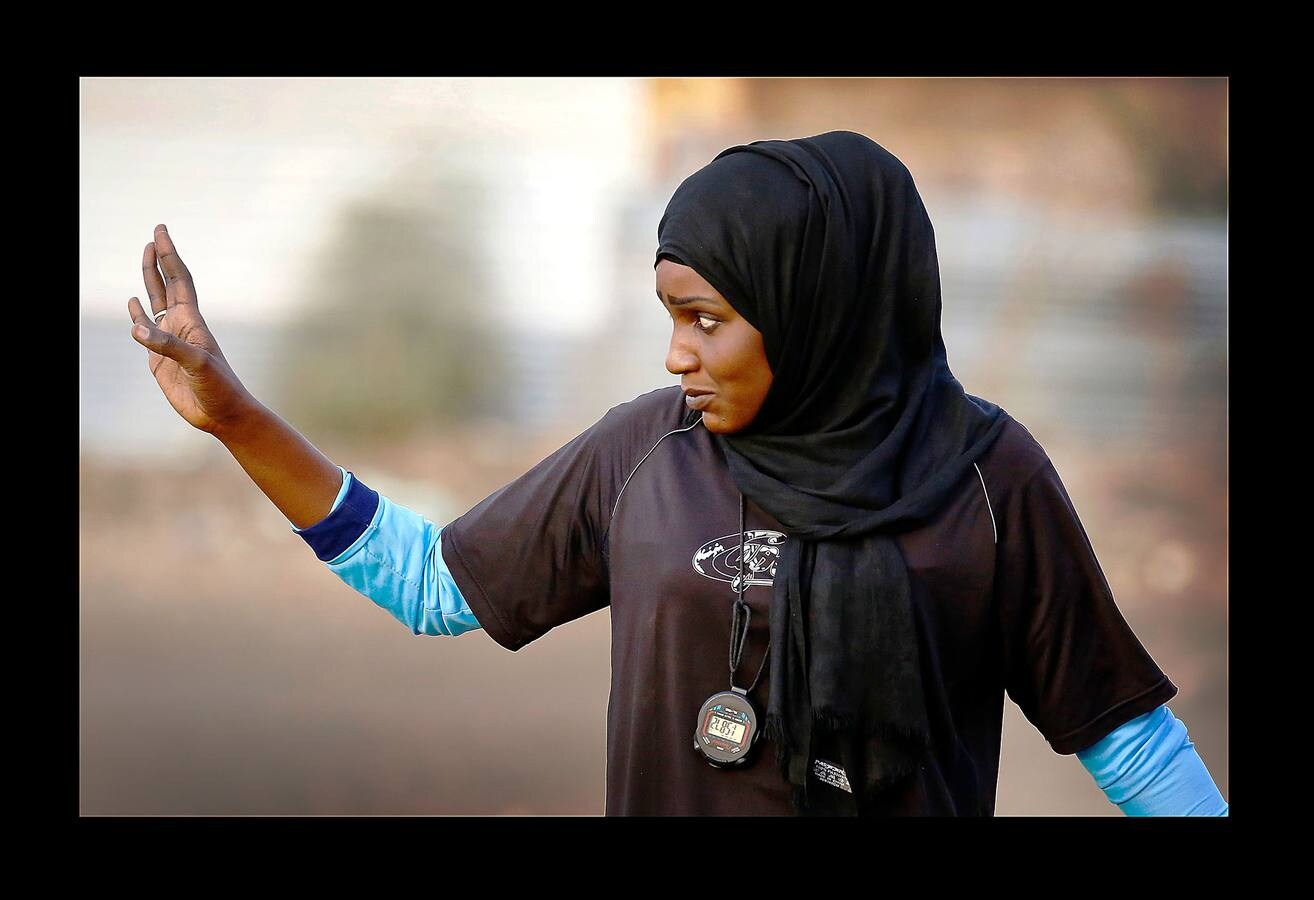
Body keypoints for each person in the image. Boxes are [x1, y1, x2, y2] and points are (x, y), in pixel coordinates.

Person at [126, 131, 1227, 817]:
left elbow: (1128, 747)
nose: (675, 354)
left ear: (817, 309)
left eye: (707, 319)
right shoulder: (645, 453)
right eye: (667, 315)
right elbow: (431, 584)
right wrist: (236, 417)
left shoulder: (990, 482)